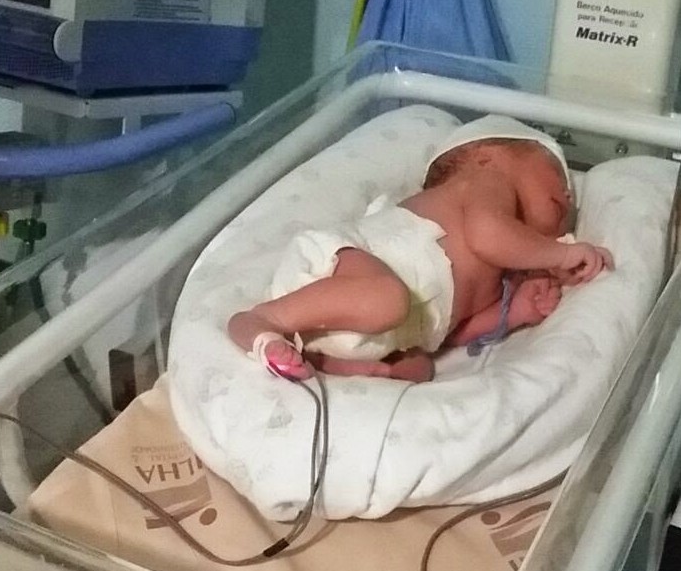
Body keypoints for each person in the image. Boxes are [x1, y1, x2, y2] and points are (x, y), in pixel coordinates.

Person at [227, 117, 614, 383]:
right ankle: (261, 320)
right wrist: (561, 255)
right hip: (344, 264)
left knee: (419, 367)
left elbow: (451, 331)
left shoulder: (501, 272)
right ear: (487, 155)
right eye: (557, 174)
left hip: (371, 331)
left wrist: (514, 312)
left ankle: (325, 359)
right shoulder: (485, 183)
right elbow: (488, 233)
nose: (568, 195)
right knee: (386, 300)